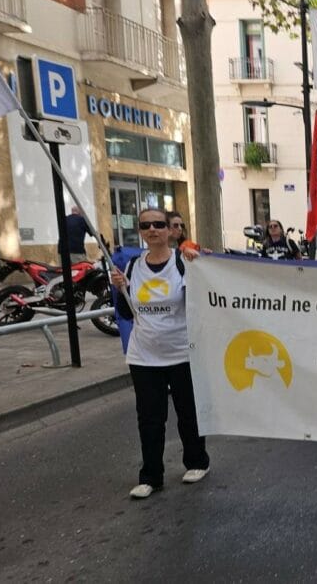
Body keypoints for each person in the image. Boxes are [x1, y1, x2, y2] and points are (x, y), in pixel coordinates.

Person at [110, 208, 209, 500]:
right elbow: (127, 312)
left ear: (169, 230)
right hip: (144, 356)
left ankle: (196, 461)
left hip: (182, 353)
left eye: (158, 224)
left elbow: (198, 305)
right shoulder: (132, 267)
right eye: (145, 225)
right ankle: (151, 476)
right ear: (140, 232)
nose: (152, 229)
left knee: (188, 412)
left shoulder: (183, 263)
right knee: (150, 418)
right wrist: (120, 289)